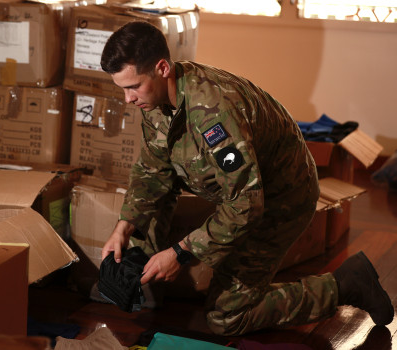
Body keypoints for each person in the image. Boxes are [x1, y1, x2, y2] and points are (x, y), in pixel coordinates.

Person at [99, 20, 394, 336]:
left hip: (278, 200)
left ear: (162, 68)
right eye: (123, 88)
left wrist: (181, 252)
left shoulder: (213, 113)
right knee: (151, 209)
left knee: (226, 316)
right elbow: (153, 170)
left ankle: (347, 284)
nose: (128, 99)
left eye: (133, 87)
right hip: (241, 191)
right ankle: (147, 277)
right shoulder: (155, 97)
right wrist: (124, 225)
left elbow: (246, 204)